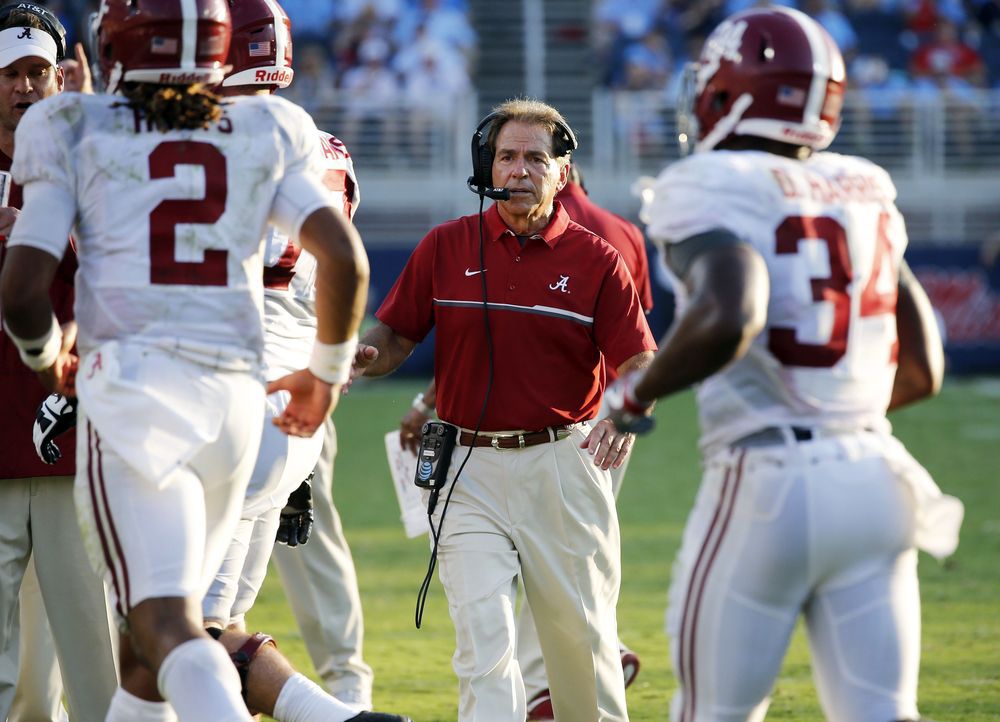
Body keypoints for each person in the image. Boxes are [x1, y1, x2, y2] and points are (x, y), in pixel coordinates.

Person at [0, 1, 370, 721]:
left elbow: (21, 294)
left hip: (138, 398)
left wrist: (52, 361)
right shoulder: (275, 126)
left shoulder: (70, 126)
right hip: (239, 400)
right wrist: (326, 374)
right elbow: (347, 265)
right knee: (145, 649)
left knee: (168, 624)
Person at [605, 7, 964, 722]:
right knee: (882, 712)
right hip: (876, 474)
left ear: (726, 93)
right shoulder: (864, 187)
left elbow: (732, 314)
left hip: (766, 479)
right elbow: (924, 369)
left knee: (714, 713)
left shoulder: (711, 181)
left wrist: (635, 392)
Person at [354, 98, 656, 722]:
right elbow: (395, 337)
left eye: (535, 159)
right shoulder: (444, 245)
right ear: (486, 166)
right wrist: (360, 356)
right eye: (506, 156)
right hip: (465, 469)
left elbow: (640, 363)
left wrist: (626, 411)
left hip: (563, 466)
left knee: (582, 644)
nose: (518, 170)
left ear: (562, 174)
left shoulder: (598, 260)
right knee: (482, 645)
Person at [0, 5, 118, 720]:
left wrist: (54, 234)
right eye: (9, 73)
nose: (23, 87)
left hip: (73, 437)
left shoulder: (93, 166)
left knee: (97, 659)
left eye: (37, 72)